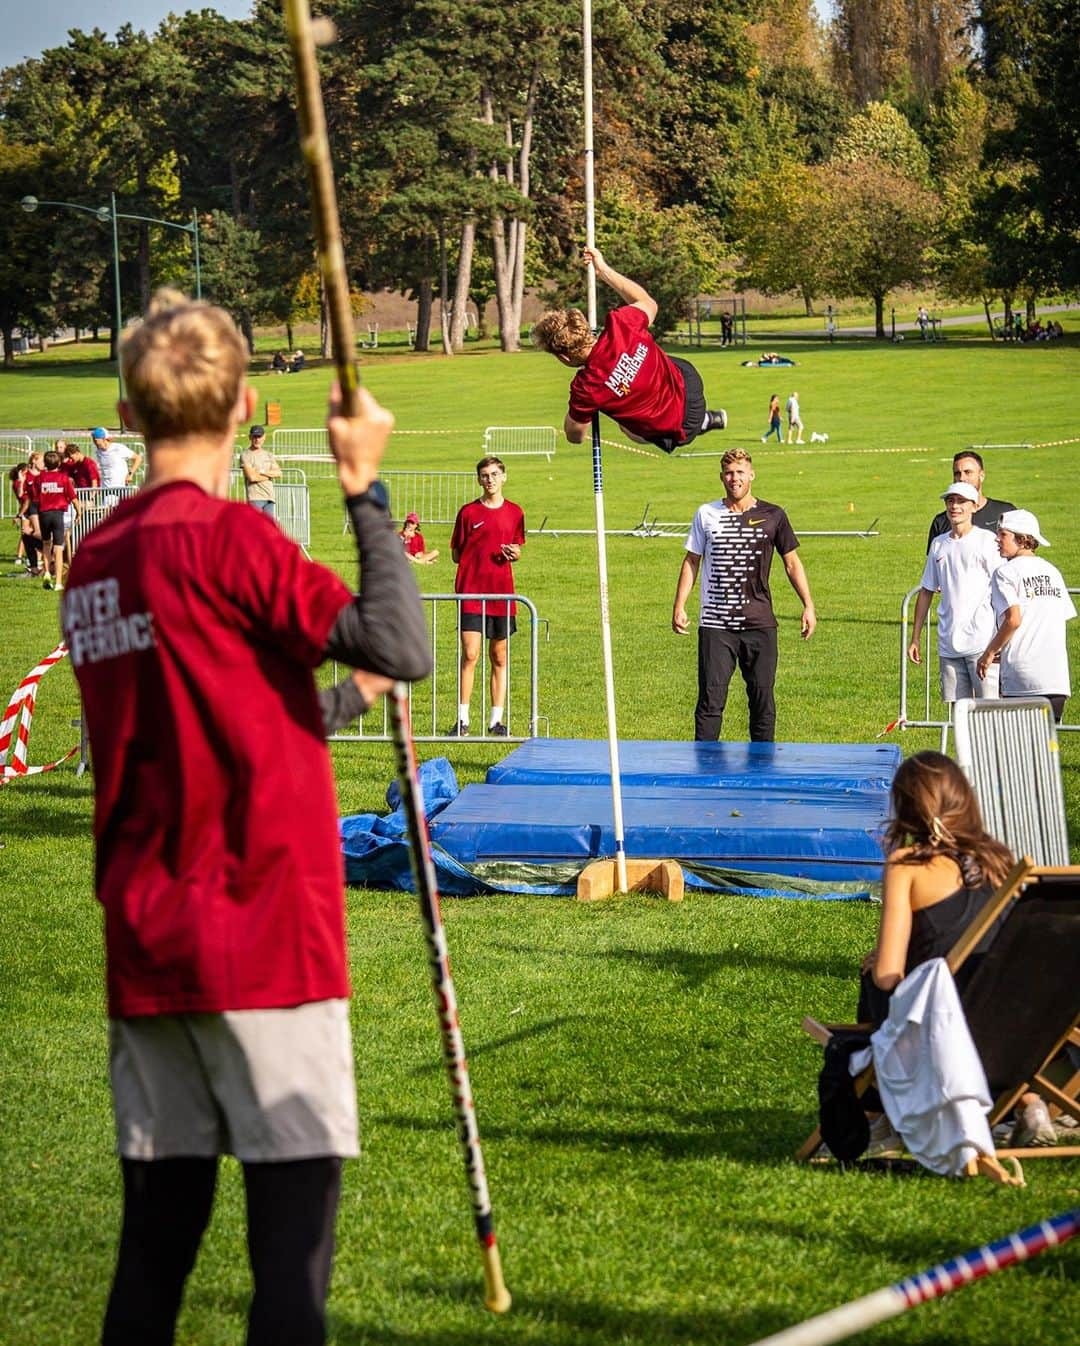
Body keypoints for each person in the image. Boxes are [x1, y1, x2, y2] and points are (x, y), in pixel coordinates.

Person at [61, 288, 431, 1346]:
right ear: (248, 408)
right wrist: (364, 487)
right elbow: (399, 640)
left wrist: (330, 708)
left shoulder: (91, 562)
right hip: (267, 938)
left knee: (151, 1266)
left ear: (130, 416)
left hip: (148, 941)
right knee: (287, 1277)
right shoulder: (236, 542)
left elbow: (203, 718)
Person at [857, 750, 1055, 1149]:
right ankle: (1028, 1101)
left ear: (907, 809)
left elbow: (889, 976)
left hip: (945, 1034)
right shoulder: (1000, 860)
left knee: (873, 974)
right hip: (1015, 1032)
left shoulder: (907, 866)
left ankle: (881, 1113)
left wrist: (883, 965)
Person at [672, 448, 816, 742]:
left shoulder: (773, 515)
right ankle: (705, 774)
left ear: (751, 475)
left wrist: (808, 605)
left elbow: (792, 563)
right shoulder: (706, 514)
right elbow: (692, 561)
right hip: (716, 624)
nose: (734, 478)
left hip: (760, 623)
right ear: (721, 477)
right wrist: (679, 605)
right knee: (711, 702)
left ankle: (763, 773)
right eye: (728, 473)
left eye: (740, 472)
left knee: (762, 701)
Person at [530, 247, 727, 454]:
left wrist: (583, 408)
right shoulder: (621, 324)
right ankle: (707, 418)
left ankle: (702, 421)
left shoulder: (586, 388)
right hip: (690, 382)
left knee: (627, 428)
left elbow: (575, 436)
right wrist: (604, 270)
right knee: (651, 354)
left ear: (563, 357)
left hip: (680, 426)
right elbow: (648, 303)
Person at [446, 456, 525, 736]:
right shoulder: (468, 513)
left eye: (494, 474)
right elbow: (456, 553)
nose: (489, 479)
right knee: (470, 653)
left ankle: (496, 721)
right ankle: (463, 719)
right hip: (470, 592)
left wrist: (515, 554)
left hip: (502, 594)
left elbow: (518, 547)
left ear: (503, 477)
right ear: (479, 480)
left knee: (499, 656)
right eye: (484, 475)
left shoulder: (515, 512)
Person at [976, 509, 1076, 722]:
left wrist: (989, 653)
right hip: (1056, 678)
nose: (997, 539)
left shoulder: (1005, 572)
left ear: (1021, 539)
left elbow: (1014, 619)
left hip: (1022, 677)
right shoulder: (1052, 571)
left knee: (1018, 751)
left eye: (1003, 534)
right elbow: (1055, 618)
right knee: (1046, 751)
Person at [909, 482, 1002, 704]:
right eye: (950, 501)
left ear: (974, 506)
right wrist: (915, 638)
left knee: (987, 711)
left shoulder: (987, 541)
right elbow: (926, 591)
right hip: (948, 644)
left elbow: (1003, 587)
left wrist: (1000, 641)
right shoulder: (939, 544)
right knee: (957, 713)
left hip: (981, 643)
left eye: (961, 501)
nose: (955, 506)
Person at [926, 451, 1014, 552]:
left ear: (981, 475)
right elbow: (935, 562)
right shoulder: (942, 521)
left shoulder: (1006, 512)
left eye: (968, 472)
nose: (962, 478)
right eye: (957, 474)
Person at [25, 448, 81, 590]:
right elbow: (74, 499)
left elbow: (34, 497)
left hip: (44, 514)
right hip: (58, 514)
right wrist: (79, 512)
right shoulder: (64, 478)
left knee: (45, 544)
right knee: (58, 548)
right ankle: (58, 583)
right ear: (59, 464)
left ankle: (48, 573)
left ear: (45, 464)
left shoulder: (39, 478)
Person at [240, 424, 282, 516]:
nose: (257, 439)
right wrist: (269, 475)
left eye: (259, 436)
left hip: (269, 497)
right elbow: (252, 477)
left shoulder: (268, 454)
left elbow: (279, 473)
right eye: (255, 437)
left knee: (267, 527)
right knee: (255, 527)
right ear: (250, 437)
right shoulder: (246, 455)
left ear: (264, 437)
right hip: (255, 497)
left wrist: (262, 472)